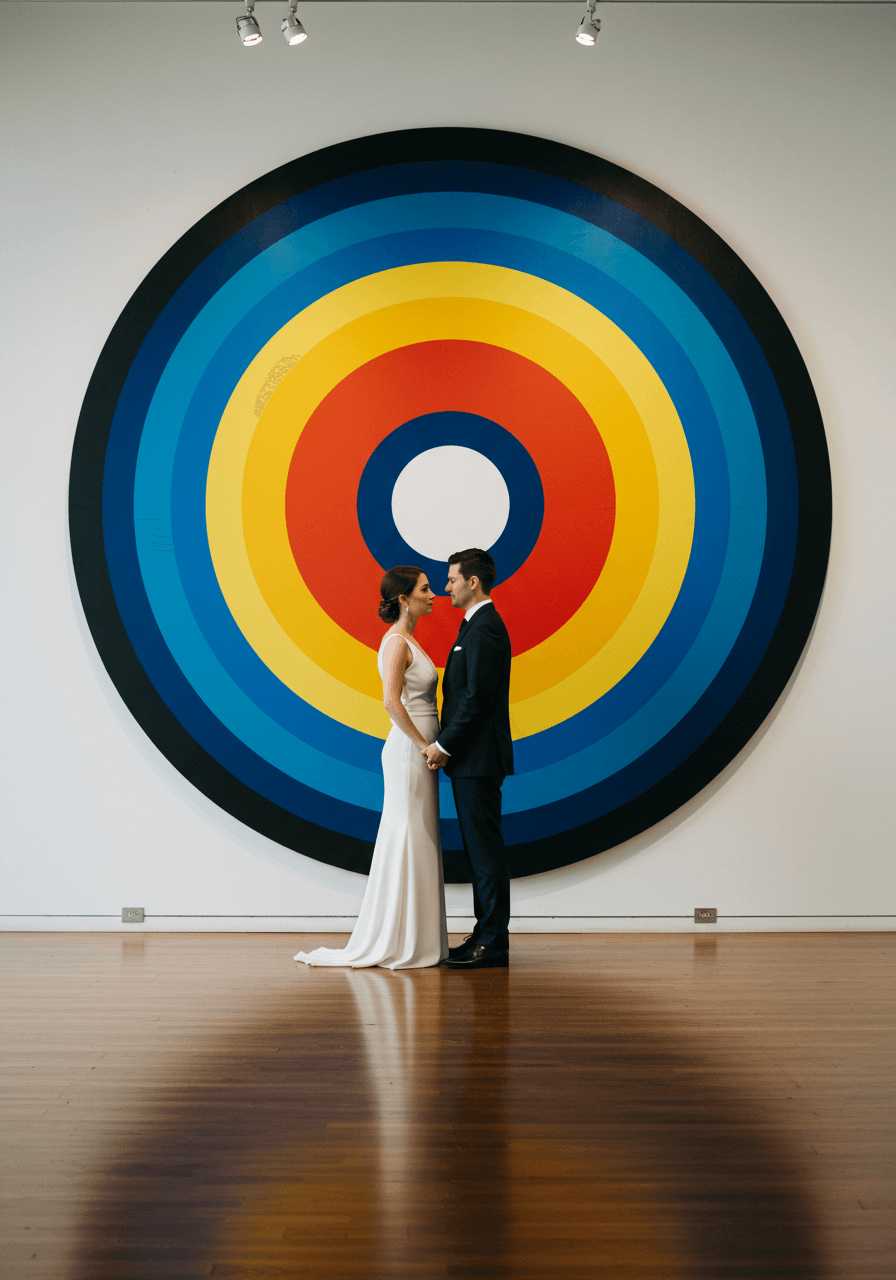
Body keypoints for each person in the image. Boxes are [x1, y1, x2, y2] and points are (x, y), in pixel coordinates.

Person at [294, 567, 448, 970]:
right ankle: (403, 939)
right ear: (404, 599)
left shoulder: (408, 639)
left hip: (420, 751)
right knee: (409, 832)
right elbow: (391, 702)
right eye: (425, 589)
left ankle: (415, 937)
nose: (434, 595)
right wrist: (423, 746)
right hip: (410, 752)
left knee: (419, 833)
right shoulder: (397, 642)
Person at [422, 549, 513, 969]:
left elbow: (475, 699)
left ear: (473, 582)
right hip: (472, 761)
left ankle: (492, 942)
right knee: (480, 851)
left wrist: (443, 746)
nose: (447, 587)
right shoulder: (474, 628)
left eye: (453, 579)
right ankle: (483, 934)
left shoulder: (485, 629)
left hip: (477, 760)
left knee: (485, 852)